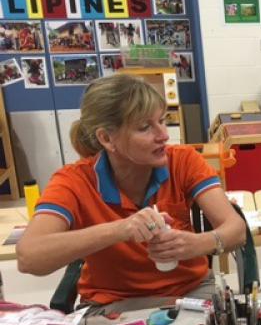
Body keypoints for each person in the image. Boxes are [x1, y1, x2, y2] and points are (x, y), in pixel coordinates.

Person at [16, 75, 246, 311]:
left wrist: (200, 243)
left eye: (162, 120)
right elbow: (29, 257)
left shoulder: (183, 161)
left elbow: (236, 230)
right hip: (113, 304)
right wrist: (121, 229)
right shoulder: (74, 181)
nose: (163, 135)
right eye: (145, 127)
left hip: (190, 293)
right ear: (106, 138)